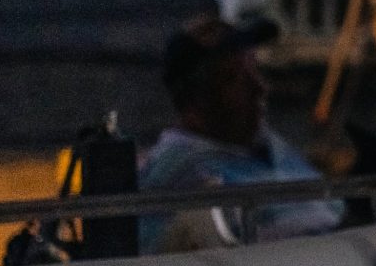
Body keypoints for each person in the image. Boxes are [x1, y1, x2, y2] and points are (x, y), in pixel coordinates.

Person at [137, 14, 342, 252]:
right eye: (233, 78)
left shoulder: (267, 145)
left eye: (254, 70)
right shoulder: (176, 175)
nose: (259, 87)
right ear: (196, 98)